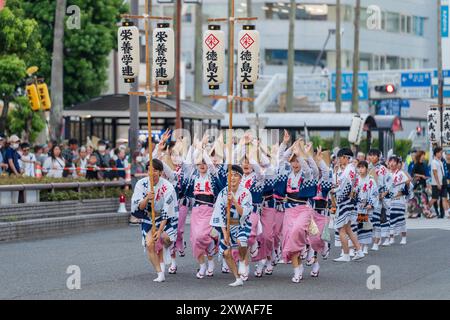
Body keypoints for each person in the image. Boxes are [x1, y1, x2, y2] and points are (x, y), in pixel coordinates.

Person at [131, 159, 179, 283]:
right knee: (150, 244)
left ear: (161, 172)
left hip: (165, 219)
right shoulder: (141, 184)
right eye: (149, 170)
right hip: (149, 218)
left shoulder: (167, 187)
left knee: (166, 239)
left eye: (155, 170)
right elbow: (138, 207)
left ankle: (165, 247)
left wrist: (160, 230)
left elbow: (167, 211)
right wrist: (147, 198)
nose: (152, 173)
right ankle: (159, 273)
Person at [210, 165, 253, 287]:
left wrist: (234, 201)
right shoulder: (223, 193)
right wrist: (225, 234)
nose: (232, 178)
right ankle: (237, 278)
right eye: (230, 175)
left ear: (240, 178)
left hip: (241, 224)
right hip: (226, 226)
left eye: (235, 175)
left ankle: (242, 261)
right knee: (226, 253)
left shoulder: (246, 193)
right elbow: (218, 214)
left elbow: (244, 213)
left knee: (241, 242)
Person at [332, 148, 365, 262]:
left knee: (340, 228)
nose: (339, 160)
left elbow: (343, 189)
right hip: (352, 202)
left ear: (345, 157)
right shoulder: (353, 169)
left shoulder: (347, 171)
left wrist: (335, 194)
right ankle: (359, 251)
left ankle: (346, 254)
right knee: (348, 229)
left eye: (340, 158)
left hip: (345, 202)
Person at [383, 156, 410, 245]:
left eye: (394, 161)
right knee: (391, 219)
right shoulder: (387, 174)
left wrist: (400, 192)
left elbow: (407, 185)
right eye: (390, 161)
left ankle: (404, 237)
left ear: (398, 164)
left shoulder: (401, 174)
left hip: (399, 200)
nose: (392, 163)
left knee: (400, 219)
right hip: (389, 201)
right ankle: (391, 237)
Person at [354, 160, 378, 255]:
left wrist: (370, 204)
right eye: (359, 167)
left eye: (362, 167)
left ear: (367, 169)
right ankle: (359, 246)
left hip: (366, 206)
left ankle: (365, 246)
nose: (360, 170)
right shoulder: (356, 180)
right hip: (358, 206)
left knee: (366, 226)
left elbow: (375, 193)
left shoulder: (370, 180)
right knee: (358, 226)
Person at [367, 149, 389, 251]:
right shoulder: (366, 167)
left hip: (377, 197)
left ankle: (376, 242)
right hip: (366, 198)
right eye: (370, 155)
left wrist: (384, 193)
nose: (372, 157)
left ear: (378, 156)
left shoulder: (382, 168)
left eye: (374, 155)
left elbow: (389, 182)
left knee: (376, 221)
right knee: (363, 221)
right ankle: (363, 245)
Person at [409, 151, 431, 218]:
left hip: (423, 183)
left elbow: (427, 174)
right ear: (419, 156)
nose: (424, 156)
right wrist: (421, 176)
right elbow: (412, 174)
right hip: (418, 184)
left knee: (423, 198)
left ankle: (419, 213)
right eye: (422, 155)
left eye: (424, 155)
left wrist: (426, 178)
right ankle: (425, 213)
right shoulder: (416, 164)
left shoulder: (424, 164)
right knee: (421, 198)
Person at [429, 147, 449, 219]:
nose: (441, 154)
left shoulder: (440, 161)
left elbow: (442, 173)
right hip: (436, 183)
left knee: (444, 198)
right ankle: (426, 209)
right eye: (440, 152)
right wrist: (438, 183)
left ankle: (446, 213)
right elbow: (435, 173)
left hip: (443, 182)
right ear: (436, 153)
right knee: (434, 198)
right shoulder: (434, 162)